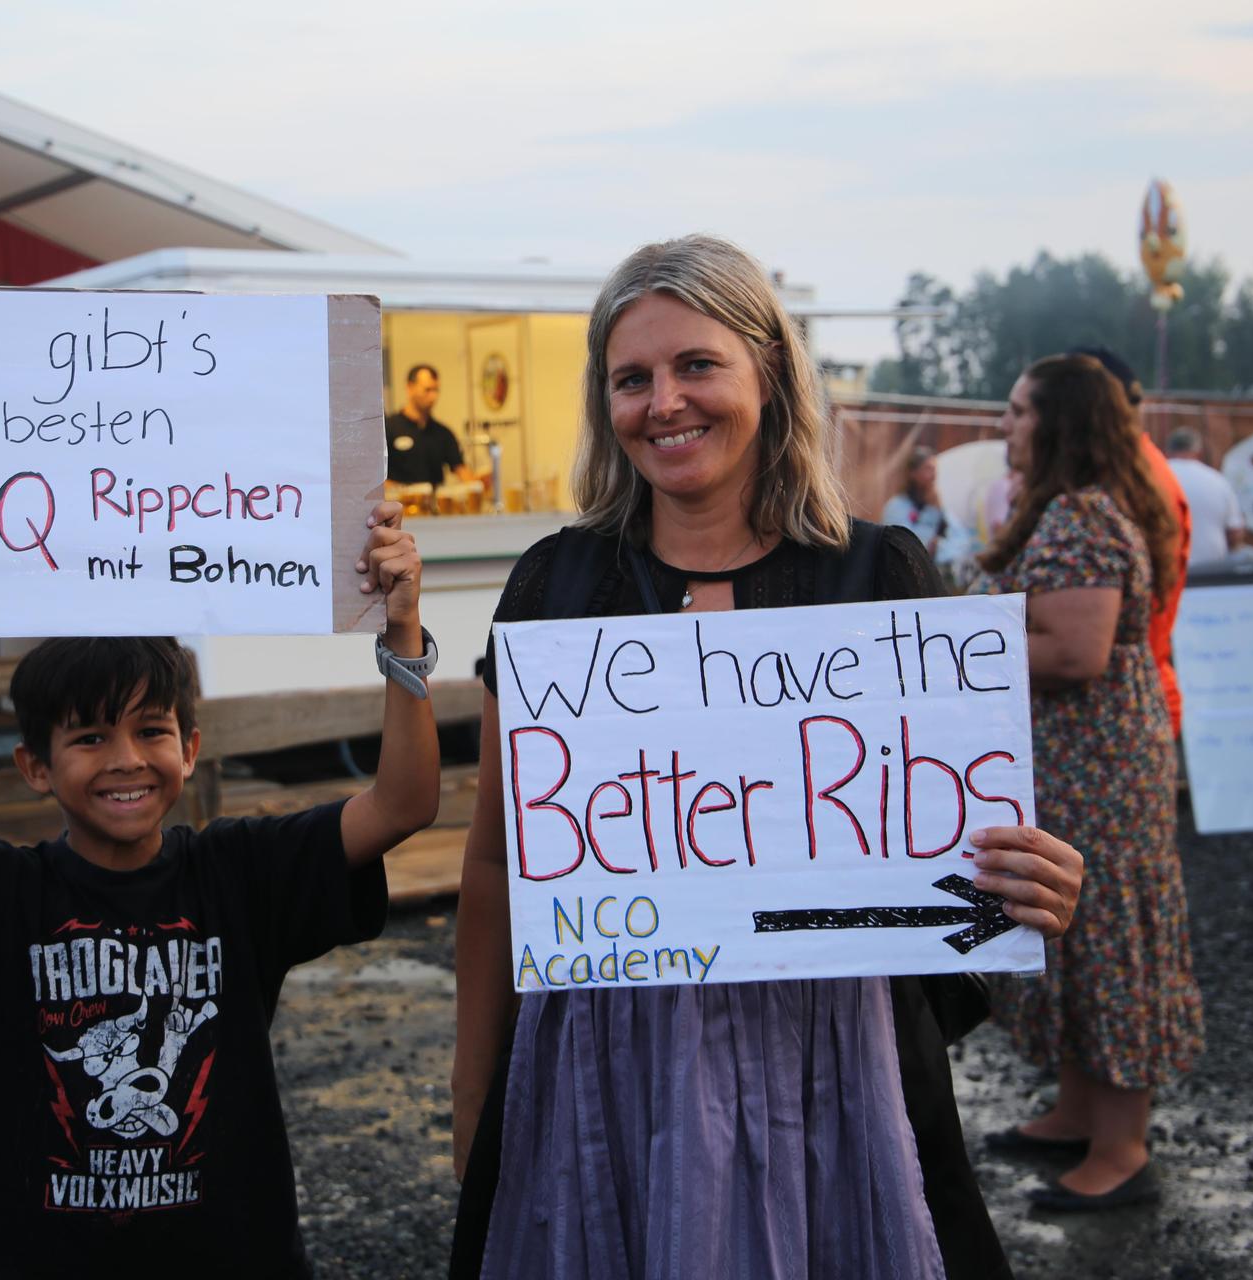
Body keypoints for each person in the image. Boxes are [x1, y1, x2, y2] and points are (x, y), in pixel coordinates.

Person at [451, 235, 1086, 1280]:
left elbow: (939, 882)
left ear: (772, 374)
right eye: (631, 378)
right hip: (598, 1082)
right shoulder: (554, 588)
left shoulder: (878, 576)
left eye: (696, 364)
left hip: (836, 1075)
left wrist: (1023, 888)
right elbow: (493, 863)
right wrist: (475, 1099)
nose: (664, 402)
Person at [0, 505, 440, 1275]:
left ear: (191, 748)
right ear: (34, 765)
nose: (127, 759)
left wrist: (402, 633)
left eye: (152, 730)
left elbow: (402, 805)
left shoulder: (241, 874)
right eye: (90, 738)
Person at [972, 354, 1203, 1211]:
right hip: (1079, 762)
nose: (1006, 426)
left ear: (1060, 423)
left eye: (1020, 412)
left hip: (1099, 767)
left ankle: (1122, 1149)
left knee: (1107, 938)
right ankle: (1077, 1112)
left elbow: (1076, 653)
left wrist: (958, 643)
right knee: (1069, 933)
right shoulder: (1072, 510)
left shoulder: (1081, 515)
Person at [1069, 346, 1191, 738]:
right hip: (1139, 694)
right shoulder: (1137, 469)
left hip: (1126, 708)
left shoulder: (1128, 482)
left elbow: (1081, 645)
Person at [1165, 427, 1247, 565]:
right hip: (1211, 572)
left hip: (1168, 571)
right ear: (1198, 452)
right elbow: (1234, 532)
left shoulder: (1155, 477)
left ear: (1167, 451)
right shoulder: (1217, 480)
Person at [385, 364, 471, 488]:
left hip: (434, 505)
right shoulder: (388, 428)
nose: (433, 397)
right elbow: (373, 480)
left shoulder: (443, 433)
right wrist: (406, 492)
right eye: (427, 390)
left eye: (436, 390)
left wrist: (478, 485)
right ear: (409, 387)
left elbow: (461, 469)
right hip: (398, 504)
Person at [882, 445, 947, 555]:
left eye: (935, 469)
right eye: (928, 469)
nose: (934, 476)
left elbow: (958, 538)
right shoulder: (896, 507)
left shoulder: (936, 506)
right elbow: (907, 544)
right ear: (913, 473)